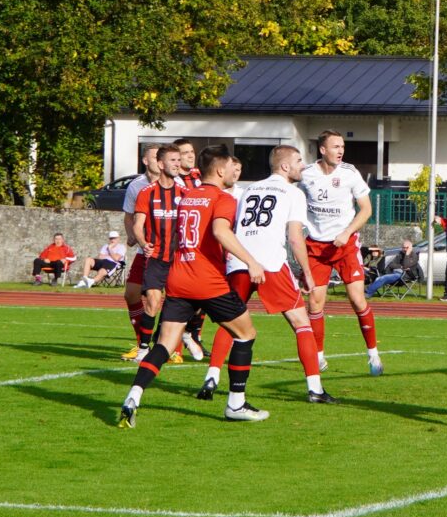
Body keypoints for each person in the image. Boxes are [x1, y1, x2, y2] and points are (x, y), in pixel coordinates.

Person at [118, 145, 270, 427]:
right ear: (221, 170)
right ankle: (236, 404)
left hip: (179, 276)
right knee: (246, 334)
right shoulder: (223, 197)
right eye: (230, 168)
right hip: (207, 280)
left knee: (164, 345)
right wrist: (251, 261)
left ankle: (133, 396)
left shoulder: (187, 196)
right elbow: (219, 231)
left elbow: (178, 236)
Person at [195, 144, 335, 404]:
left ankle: (211, 377)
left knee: (232, 321)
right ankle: (315, 389)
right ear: (284, 166)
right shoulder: (293, 193)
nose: (302, 165)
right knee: (302, 323)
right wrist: (306, 271)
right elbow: (295, 238)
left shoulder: (248, 190)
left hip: (240, 261)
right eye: (298, 160)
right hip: (269, 262)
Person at [299, 130, 382, 375]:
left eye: (342, 146)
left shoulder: (349, 173)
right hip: (316, 247)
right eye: (335, 146)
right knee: (314, 303)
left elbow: (366, 209)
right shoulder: (306, 174)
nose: (340, 150)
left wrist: (347, 232)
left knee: (357, 299)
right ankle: (319, 357)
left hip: (345, 246)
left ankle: (373, 354)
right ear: (322, 150)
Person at [131, 145, 186, 362]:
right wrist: (144, 242)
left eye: (178, 160)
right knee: (153, 301)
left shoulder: (184, 194)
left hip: (178, 260)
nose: (177, 164)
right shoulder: (147, 193)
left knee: (173, 306)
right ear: (161, 164)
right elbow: (137, 225)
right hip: (155, 257)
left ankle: (159, 341)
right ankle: (144, 347)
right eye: (173, 160)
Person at [121, 144, 161, 358]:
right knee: (131, 294)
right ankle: (141, 343)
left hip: (167, 252)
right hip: (144, 250)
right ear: (146, 161)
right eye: (155, 157)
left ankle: (172, 347)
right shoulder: (136, 186)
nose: (159, 161)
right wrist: (131, 235)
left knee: (169, 298)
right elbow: (128, 216)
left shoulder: (175, 185)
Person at [174, 137, 209, 359]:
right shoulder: (172, 180)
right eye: (185, 152)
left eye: (191, 151)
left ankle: (193, 335)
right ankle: (171, 343)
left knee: (203, 296)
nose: (190, 155)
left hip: (200, 246)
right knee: (175, 298)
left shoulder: (199, 176)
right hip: (178, 247)